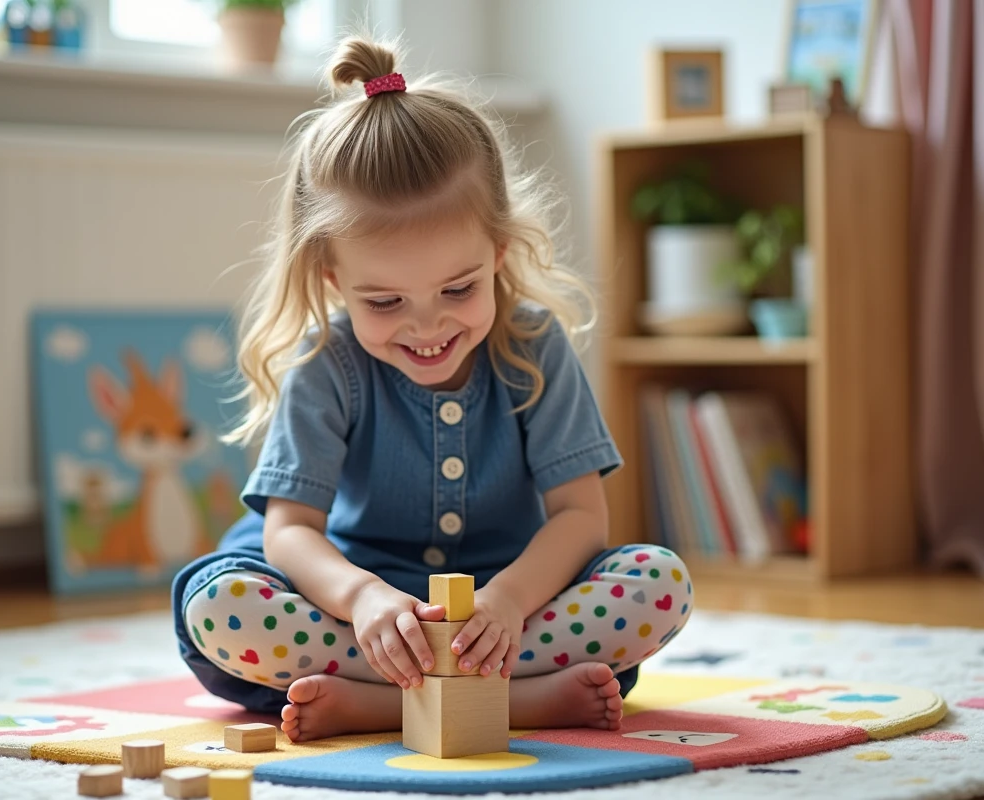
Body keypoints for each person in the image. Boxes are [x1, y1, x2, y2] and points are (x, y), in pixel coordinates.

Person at [171, 33, 693, 742]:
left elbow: (580, 516)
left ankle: (382, 704)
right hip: (349, 608)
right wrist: (362, 598)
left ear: (498, 252)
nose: (427, 326)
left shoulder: (535, 347)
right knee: (217, 605)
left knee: (658, 583)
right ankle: (511, 701)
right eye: (385, 301)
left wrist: (508, 601)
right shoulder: (326, 362)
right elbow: (289, 532)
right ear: (333, 279)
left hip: (508, 606)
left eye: (458, 288)